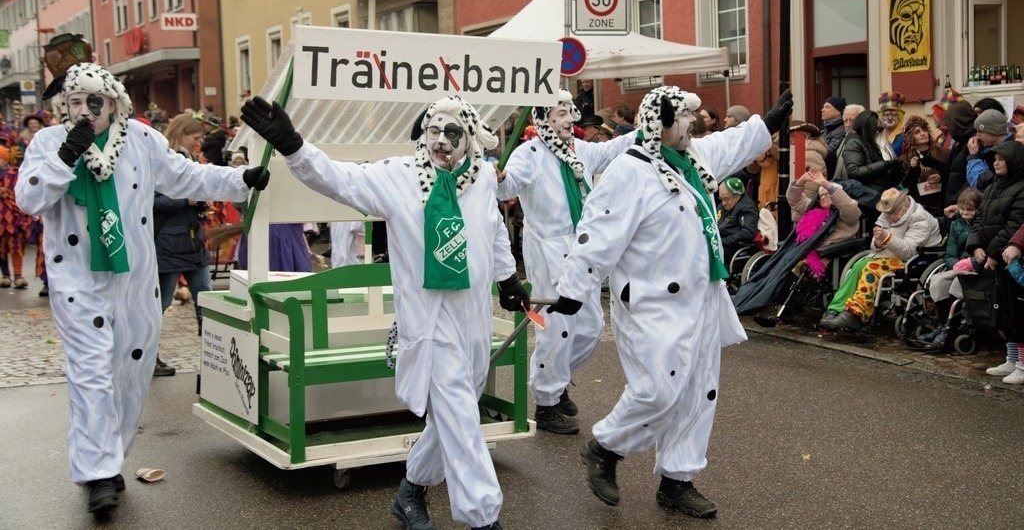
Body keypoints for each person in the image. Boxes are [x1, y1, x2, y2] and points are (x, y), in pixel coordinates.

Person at [240, 93, 529, 530]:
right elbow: (340, 179)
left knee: (457, 413)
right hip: (428, 325)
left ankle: (410, 490)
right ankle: (484, 518)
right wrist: (294, 146)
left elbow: (494, 231)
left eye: (452, 133)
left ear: (470, 140)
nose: (441, 141)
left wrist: (507, 279)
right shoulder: (399, 176)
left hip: (473, 321)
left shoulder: (482, 178)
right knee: (461, 418)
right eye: (433, 131)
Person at [15, 63, 267, 518]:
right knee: (92, 370)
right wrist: (65, 157)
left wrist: (240, 180)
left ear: (113, 103)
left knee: (131, 372)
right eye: (75, 102)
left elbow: (185, 176)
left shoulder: (141, 140)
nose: (85, 111)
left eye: (94, 102)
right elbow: (29, 200)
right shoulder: (49, 143)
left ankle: (109, 457)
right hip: (77, 279)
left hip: (134, 279)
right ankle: (98, 473)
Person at [551, 85, 791, 518]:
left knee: (699, 391)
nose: (693, 123)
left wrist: (768, 122)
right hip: (652, 302)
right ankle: (605, 447)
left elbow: (730, 144)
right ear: (660, 123)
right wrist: (573, 291)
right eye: (683, 117)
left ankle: (678, 480)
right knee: (659, 388)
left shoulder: (692, 157)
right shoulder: (629, 171)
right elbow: (596, 234)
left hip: (702, 296)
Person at [496, 89, 635, 435]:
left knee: (591, 327)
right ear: (543, 119)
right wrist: (499, 178)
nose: (570, 119)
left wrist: (647, 129)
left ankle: (554, 383)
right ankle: (546, 403)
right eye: (560, 113)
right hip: (548, 250)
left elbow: (613, 149)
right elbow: (507, 187)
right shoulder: (528, 154)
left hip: (581, 249)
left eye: (570, 112)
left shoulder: (579, 150)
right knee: (556, 328)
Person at [732, 167, 861, 318]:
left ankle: (767, 303)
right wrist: (802, 181)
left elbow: (849, 207)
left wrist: (825, 184)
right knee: (773, 266)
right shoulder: (813, 209)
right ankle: (749, 298)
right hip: (800, 250)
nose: (824, 197)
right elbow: (794, 199)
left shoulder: (846, 216)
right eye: (822, 195)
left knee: (788, 269)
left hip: (825, 254)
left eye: (828, 194)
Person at [820, 188, 940, 331]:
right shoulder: (886, 214)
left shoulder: (920, 218)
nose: (891, 217)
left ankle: (856, 314)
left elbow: (908, 251)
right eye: (888, 213)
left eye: (894, 213)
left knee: (872, 269)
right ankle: (836, 308)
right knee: (858, 265)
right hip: (889, 256)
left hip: (914, 260)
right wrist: (877, 242)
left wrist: (887, 238)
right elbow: (874, 246)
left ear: (906, 205)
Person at [153, 114, 213, 377]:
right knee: (160, 303)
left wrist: (200, 204)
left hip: (192, 242)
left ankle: (213, 355)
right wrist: (186, 201)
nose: (198, 143)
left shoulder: (189, 160)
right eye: (195, 138)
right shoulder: (161, 161)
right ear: (181, 134)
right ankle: (149, 357)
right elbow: (150, 202)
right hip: (166, 243)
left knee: (208, 300)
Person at [965, 140, 1024, 383]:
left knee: (1019, 312)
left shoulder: (1021, 187)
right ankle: (1011, 358)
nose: (996, 163)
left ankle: (1022, 364)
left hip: (1010, 259)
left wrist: (992, 253)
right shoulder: (993, 186)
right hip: (994, 258)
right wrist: (975, 246)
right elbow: (980, 219)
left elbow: (1014, 224)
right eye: (995, 159)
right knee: (1005, 313)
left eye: (1001, 159)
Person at [918, 187, 983, 347]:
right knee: (938, 282)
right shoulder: (955, 224)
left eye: (970, 210)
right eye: (963, 209)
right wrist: (956, 264)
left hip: (976, 267)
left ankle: (950, 328)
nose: (965, 213)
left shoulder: (982, 225)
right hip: (959, 265)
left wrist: (968, 263)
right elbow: (950, 253)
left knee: (956, 285)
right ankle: (941, 325)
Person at [901, 115, 949, 217]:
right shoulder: (904, 160)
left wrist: (942, 177)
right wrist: (914, 169)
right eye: (917, 132)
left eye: (924, 130)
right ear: (910, 137)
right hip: (918, 211)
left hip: (942, 207)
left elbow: (954, 177)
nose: (922, 133)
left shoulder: (944, 153)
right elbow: (905, 186)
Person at [0, 145, 31, 289]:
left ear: (5, 159)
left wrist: (6, 193)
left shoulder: (14, 174)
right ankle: (5, 275)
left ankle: (18, 275)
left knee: (16, 246)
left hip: (13, 217)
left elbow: (20, 193)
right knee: (1, 248)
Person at [966, 108, 1012, 190]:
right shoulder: (990, 148)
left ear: (994, 131)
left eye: (980, 131)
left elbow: (979, 183)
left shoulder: (1007, 153)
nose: (977, 136)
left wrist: (973, 156)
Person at [716, 176, 758, 265]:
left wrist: (723, 241)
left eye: (726, 199)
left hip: (733, 247)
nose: (723, 203)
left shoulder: (747, 207)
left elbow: (747, 233)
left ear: (737, 195)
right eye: (721, 199)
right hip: (719, 242)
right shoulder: (722, 206)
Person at [821, 96, 846, 175]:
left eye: (827, 107)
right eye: (823, 107)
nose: (822, 110)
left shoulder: (841, 131)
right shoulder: (825, 129)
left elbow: (829, 154)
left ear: (838, 111)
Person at [877, 91, 906, 155]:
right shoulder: (876, 134)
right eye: (886, 114)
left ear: (899, 117)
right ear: (881, 117)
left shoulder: (904, 135)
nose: (890, 118)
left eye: (894, 115)